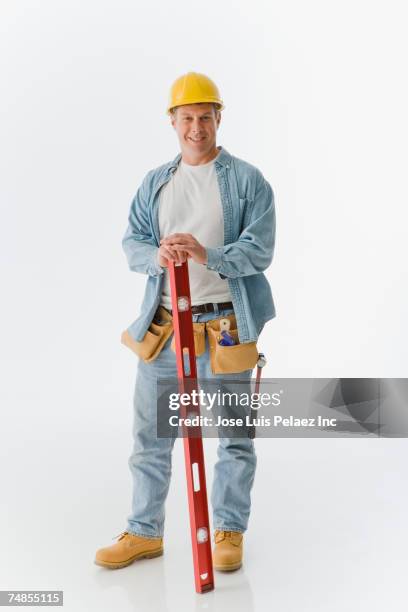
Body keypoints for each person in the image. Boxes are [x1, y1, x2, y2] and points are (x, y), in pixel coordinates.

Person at [95, 72, 276, 572]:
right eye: (187, 118)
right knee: (150, 438)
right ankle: (144, 532)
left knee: (234, 438)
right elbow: (132, 241)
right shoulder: (156, 182)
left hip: (227, 328)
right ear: (172, 122)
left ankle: (228, 532)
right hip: (165, 328)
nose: (196, 127)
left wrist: (205, 253)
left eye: (205, 117)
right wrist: (158, 255)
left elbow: (260, 250)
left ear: (219, 118)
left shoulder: (247, 181)